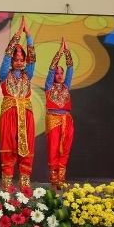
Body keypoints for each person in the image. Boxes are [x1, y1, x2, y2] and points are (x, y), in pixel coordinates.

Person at [0, 17, 35, 191]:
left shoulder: (28, 74)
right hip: (9, 112)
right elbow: (6, 55)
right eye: (16, 59)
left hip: (26, 114)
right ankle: (7, 184)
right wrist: (18, 34)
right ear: (12, 61)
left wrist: (29, 36)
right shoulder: (4, 74)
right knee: (9, 145)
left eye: (22, 59)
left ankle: (25, 182)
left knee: (27, 145)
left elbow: (33, 58)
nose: (19, 61)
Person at [45, 37, 74, 190]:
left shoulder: (66, 86)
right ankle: (54, 177)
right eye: (57, 73)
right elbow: (51, 69)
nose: (60, 75)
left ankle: (61, 177)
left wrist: (67, 52)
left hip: (66, 119)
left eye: (61, 73)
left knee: (65, 148)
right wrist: (60, 52)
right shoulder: (49, 86)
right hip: (53, 119)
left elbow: (71, 68)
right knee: (54, 148)